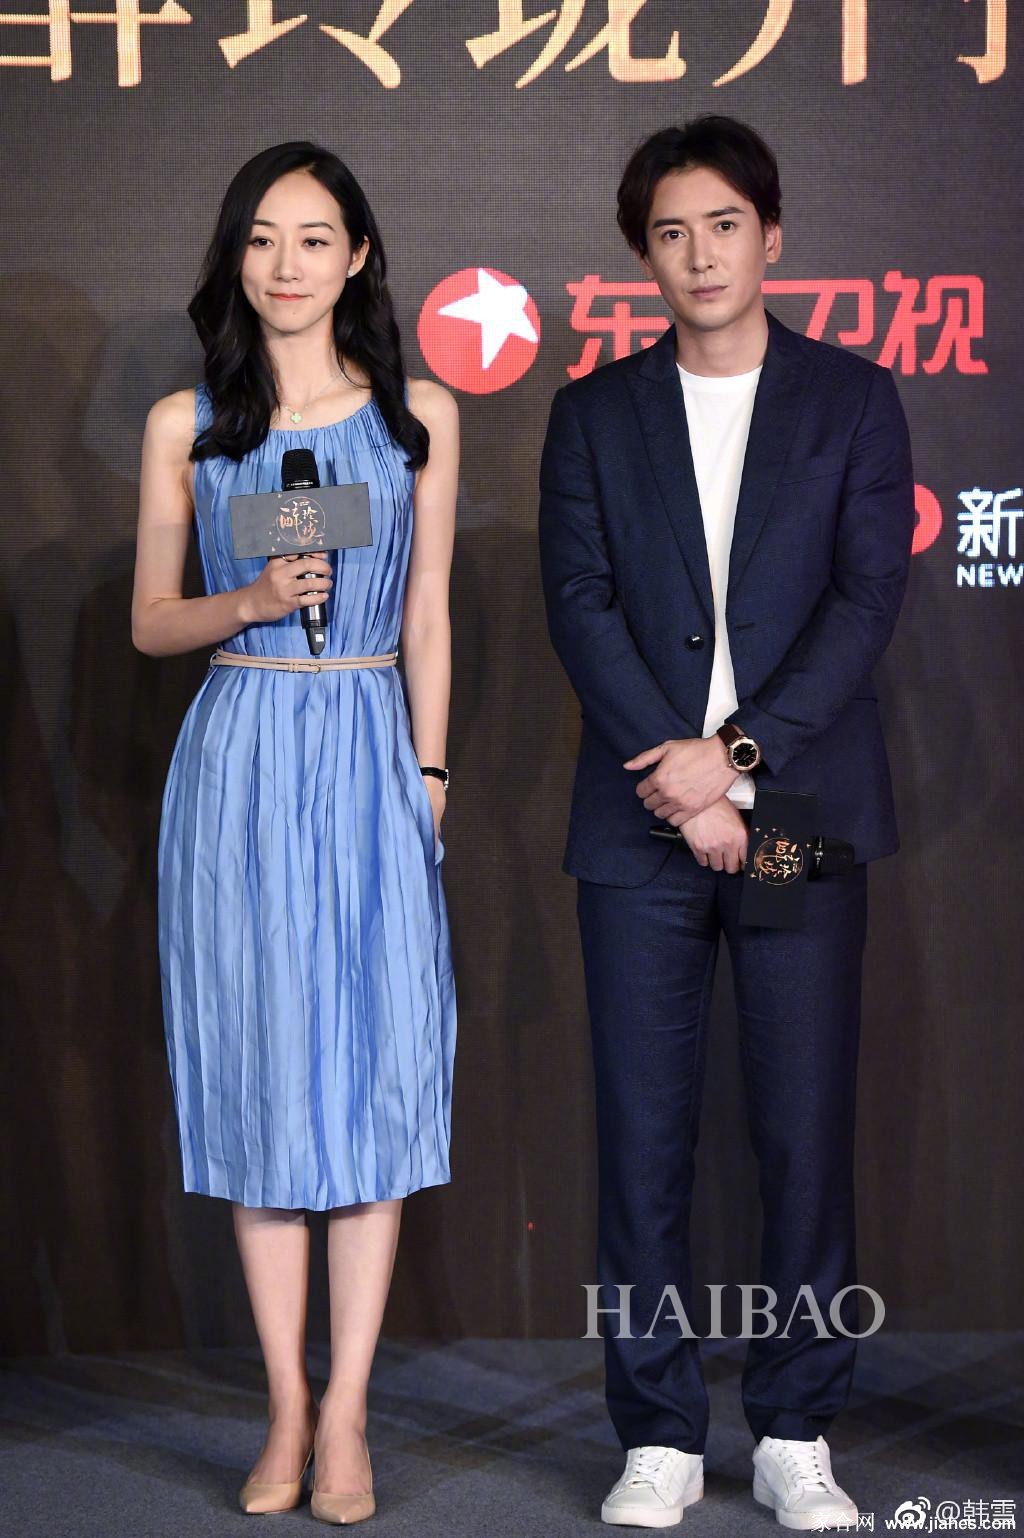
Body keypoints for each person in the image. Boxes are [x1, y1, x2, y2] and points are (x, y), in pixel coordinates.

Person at [538, 115, 914, 1530]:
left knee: (803, 1128)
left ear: (773, 235)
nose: (699, 254)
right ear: (643, 255)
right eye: (670, 232)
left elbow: (865, 600)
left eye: (724, 224)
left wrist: (737, 763)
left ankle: (797, 1425)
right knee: (643, 1135)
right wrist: (679, 774)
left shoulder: (852, 400)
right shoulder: (594, 412)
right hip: (637, 821)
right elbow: (579, 603)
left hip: (795, 808)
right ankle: (657, 1431)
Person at [131, 141, 458, 1525]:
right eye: (262, 238)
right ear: (235, 254)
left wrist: (429, 774)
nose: (286, 264)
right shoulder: (187, 423)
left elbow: (431, 610)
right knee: (261, 1080)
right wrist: (255, 598)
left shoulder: (416, 416)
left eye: (315, 238)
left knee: (375, 1078)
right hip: (244, 754)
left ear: (358, 255)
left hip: (371, 746)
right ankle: (283, 1402)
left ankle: (351, 1411)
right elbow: (153, 621)